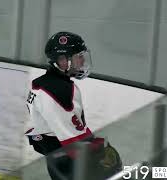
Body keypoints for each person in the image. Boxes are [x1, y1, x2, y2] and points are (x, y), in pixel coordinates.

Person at [25, 31, 122, 180]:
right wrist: (102, 151)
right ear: (63, 60)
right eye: (78, 57)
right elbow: (75, 144)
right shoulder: (60, 90)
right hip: (70, 165)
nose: (82, 61)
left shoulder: (43, 84)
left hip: (58, 161)